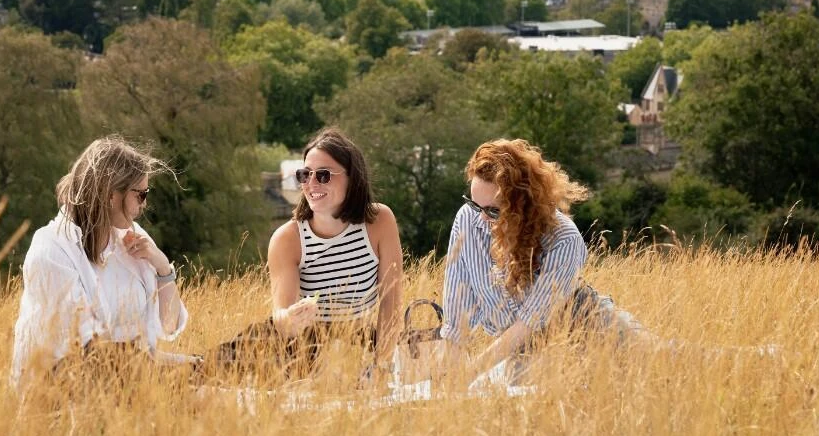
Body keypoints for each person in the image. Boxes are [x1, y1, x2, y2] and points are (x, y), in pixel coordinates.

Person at [201, 127, 404, 382]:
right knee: (214, 368)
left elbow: (391, 305)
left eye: (323, 175)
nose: (311, 184)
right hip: (299, 348)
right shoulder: (288, 239)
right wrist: (291, 318)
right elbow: (281, 317)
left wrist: (382, 366)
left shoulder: (379, 221)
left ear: (352, 177)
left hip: (358, 345)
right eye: (304, 175)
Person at [440, 138, 645, 384]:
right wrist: (449, 376)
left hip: (588, 326)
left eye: (494, 210)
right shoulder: (468, 219)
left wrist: (469, 374)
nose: (482, 218)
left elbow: (529, 324)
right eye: (475, 205)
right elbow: (456, 314)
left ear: (522, 204)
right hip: (523, 350)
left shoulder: (564, 237)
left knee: (664, 364)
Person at [11, 135, 189, 389]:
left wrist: (162, 267)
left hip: (131, 382)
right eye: (141, 194)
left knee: (236, 391)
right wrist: (180, 371)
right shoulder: (52, 251)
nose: (145, 203)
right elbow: (89, 355)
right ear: (110, 194)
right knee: (220, 399)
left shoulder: (133, 241)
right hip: (64, 398)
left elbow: (168, 326)